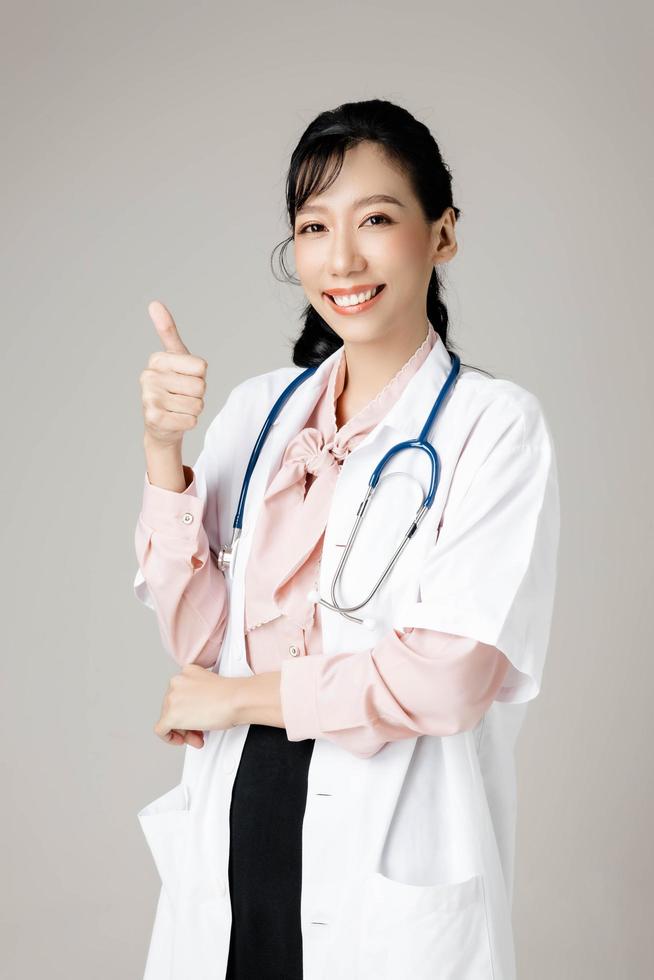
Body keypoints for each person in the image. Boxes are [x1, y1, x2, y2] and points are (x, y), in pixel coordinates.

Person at [133, 98, 560, 980]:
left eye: (376, 219)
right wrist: (162, 453)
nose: (343, 259)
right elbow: (201, 638)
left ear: (442, 234)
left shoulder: (494, 426)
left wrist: (235, 700)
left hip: (384, 856)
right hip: (237, 837)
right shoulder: (258, 412)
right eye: (315, 227)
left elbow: (445, 679)